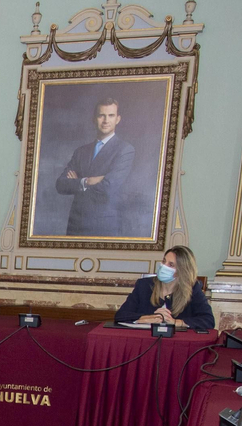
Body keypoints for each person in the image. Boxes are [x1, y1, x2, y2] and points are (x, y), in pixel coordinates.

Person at [54, 97, 135, 237]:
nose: (105, 120)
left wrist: (78, 182)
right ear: (94, 119)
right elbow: (61, 184)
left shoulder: (125, 150)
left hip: (104, 227)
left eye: (111, 115)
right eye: (101, 115)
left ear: (118, 119)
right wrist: (87, 181)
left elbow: (108, 187)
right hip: (76, 226)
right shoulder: (81, 151)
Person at [113, 245, 213, 330]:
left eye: (171, 265)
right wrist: (144, 318)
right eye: (164, 261)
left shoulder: (192, 289)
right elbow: (121, 315)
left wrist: (176, 322)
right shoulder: (144, 285)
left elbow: (208, 320)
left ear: (182, 270)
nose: (163, 266)